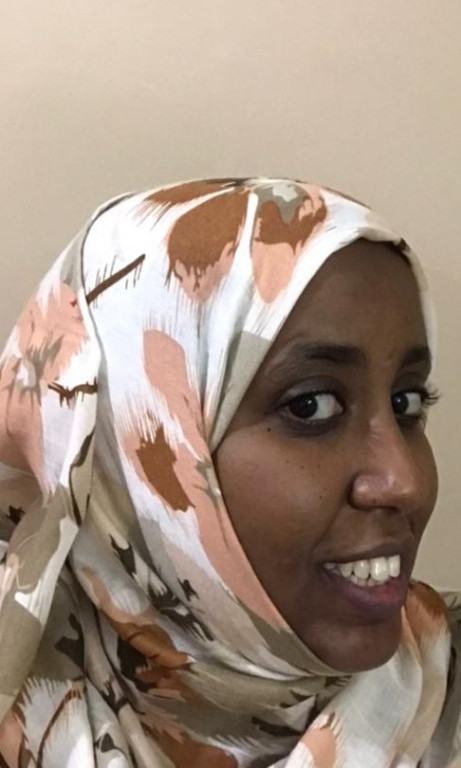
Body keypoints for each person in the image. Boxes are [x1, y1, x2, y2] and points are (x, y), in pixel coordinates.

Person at [0, 177, 459, 767]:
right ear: (131, 451)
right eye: (310, 406)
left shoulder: (442, 688)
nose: (406, 482)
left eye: (407, 403)